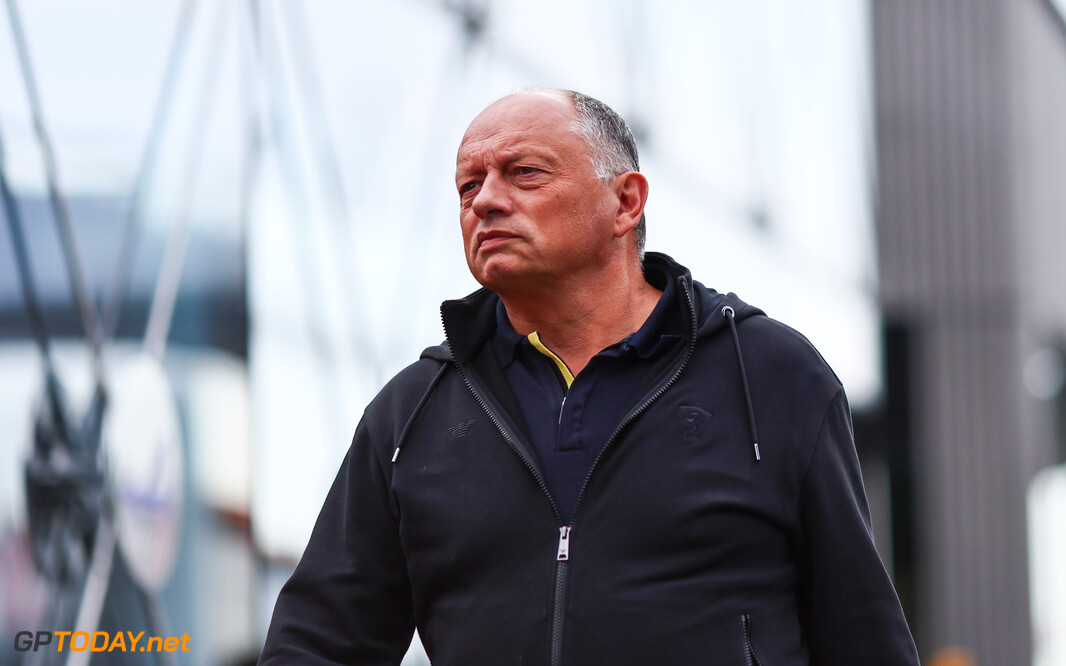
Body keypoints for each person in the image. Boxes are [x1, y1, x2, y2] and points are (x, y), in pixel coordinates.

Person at [259, 88, 918, 665]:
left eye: (524, 173)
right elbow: (318, 645)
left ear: (625, 201)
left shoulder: (774, 376)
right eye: (469, 185)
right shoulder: (411, 414)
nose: (485, 200)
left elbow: (861, 635)